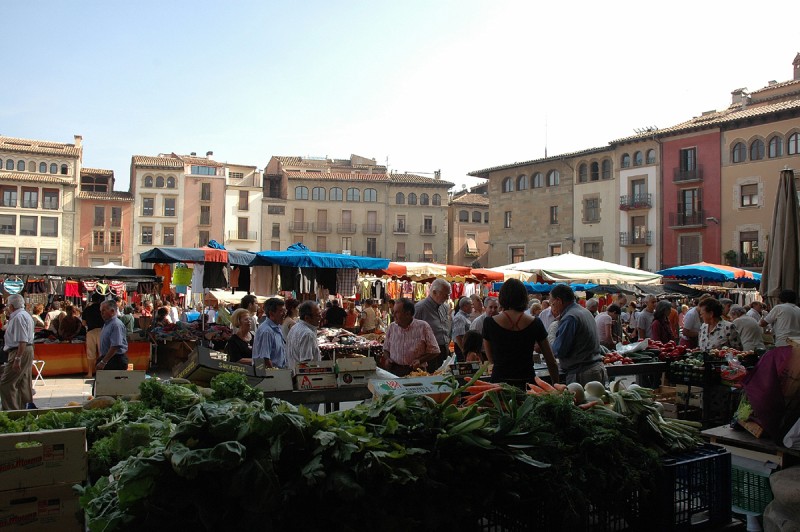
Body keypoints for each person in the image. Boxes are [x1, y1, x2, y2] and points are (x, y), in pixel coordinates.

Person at [483, 278, 559, 387]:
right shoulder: (535, 322)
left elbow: (491, 359)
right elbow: (551, 361)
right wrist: (556, 386)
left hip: (499, 384)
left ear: (502, 297)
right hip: (528, 384)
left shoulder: (489, 323)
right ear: (524, 297)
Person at [550, 283, 606, 386]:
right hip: (595, 368)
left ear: (558, 300)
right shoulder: (584, 311)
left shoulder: (570, 317)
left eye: (552, 303)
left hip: (583, 373)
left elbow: (560, 350)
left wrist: (547, 346)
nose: (552, 307)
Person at [381, 298, 440, 376]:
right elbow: (386, 349)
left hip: (416, 372)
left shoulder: (423, 327)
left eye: (397, 312)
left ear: (407, 314)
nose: (393, 315)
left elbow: (435, 350)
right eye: (393, 312)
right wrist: (388, 359)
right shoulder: (392, 327)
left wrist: (420, 360)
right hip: (395, 370)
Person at [1, 295, 34, 410]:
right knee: (23, 382)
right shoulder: (24, 315)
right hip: (24, 350)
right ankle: (25, 411)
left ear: (11, 306)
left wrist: (17, 359)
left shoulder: (19, 317)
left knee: (6, 383)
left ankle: (12, 413)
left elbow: (22, 340)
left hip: (19, 351)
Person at [414, 278, 452, 372]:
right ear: (434, 292)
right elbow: (413, 332)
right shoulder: (420, 308)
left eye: (448, 295)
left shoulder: (444, 307)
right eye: (445, 295)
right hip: (429, 354)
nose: (447, 298)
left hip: (444, 350)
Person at [286, 301, 322, 369]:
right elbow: (306, 363)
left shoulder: (295, 327)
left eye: (320, 314)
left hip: (293, 372)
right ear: (307, 318)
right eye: (318, 315)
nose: (321, 317)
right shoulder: (307, 334)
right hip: (303, 377)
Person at [253, 297, 287, 368]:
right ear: (271, 314)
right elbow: (265, 359)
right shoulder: (267, 331)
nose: (284, 314)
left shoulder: (277, 328)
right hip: (271, 376)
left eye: (284, 310)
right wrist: (275, 375)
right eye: (281, 311)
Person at [96, 300, 129, 371]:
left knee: (112, 381)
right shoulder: (107, 324)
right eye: (101, 311)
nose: (102, 313)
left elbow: (115, 346)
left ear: (112, 311)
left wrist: (103, 362)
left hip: (115, 360)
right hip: (107, 358)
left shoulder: (116, 324)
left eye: (104, 310)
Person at [82, 294, 105, 378]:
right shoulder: (103, 309)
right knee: (102, 352)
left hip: (91, 331)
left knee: (90, 353)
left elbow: (83, 323)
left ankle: (90, 373)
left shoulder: (87, 309)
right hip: (102, 331)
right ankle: (100, 372)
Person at [451, 297, 473, 361]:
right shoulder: (460, 318)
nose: (472, 307)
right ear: (465, 306)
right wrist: (463, 351)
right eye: (471, 305)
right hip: (461, 347)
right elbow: (458, 336)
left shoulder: (464, 316)